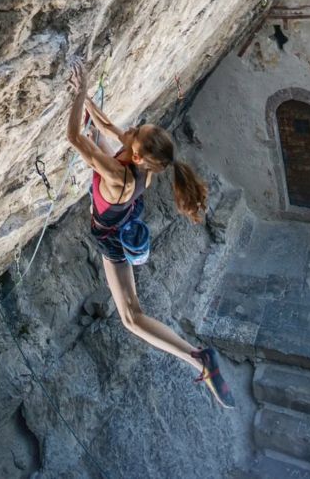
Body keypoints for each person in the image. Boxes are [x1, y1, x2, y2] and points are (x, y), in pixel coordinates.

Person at [65, 63, 234, 409]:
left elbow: (74, 138)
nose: (132, 130)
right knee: (101, 138)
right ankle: (198, 358)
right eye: (139, 127)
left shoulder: (119, 174)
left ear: (137, 155)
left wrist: (79, 93)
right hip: (125, 218)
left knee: (131, 317)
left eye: (137, 132)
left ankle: (197, 359)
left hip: (112, 235)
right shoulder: (145, 165)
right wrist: (87, 103)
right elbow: (107, 126)